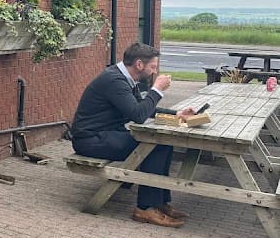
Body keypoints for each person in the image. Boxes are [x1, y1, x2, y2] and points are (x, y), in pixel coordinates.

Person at [71, 42, 197, 227]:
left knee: (165, 142)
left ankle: (160, 202)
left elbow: (142, 108)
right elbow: (138, 116)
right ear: (139, 64)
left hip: (108, 135)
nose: (154, 71)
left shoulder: (124, 78)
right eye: (153, 66)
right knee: (155, 146)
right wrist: (157, 90)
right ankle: (145, 208)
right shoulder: (114, 81)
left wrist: (176, 115)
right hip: (90, 140)